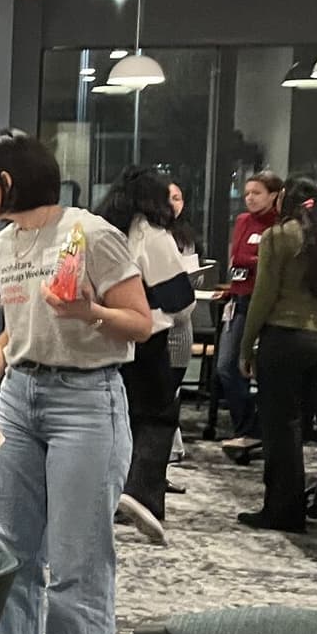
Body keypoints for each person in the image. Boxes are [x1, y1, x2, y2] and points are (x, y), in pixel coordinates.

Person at [0, 129, 152, 634]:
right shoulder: (1, 246)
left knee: (78, 574)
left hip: (86, 401)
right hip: (21, 396)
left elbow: (143, 321)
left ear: (8, 181)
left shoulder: (91, 234)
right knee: (13, 560)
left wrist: (89, 311)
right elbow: (12, 338)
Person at [240, 177, 317, 532]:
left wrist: (246, 345)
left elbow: (263, 297)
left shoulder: (279, 236)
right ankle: (291, 506)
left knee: (279, 429)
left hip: (282, 340)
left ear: (284, 199)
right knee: (296, 426)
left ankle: (283, 511)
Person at [95, 167, 195, 545]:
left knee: (114, 415)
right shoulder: (151, 236)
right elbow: (179, 300)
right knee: (157, 415)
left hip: (104, 333)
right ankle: (141, 494)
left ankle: (109, 492)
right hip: (146, 336)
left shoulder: (99, 228)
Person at [216, 170, 283, 444]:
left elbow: (272, 264)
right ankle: (246, 427)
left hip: (268, 306)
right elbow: (238, 259)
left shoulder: (280, 226)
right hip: (239, 299)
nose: (250, 199)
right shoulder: (243, 221)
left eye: (256, 193)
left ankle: (268, 429)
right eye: (247, 194)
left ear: (274, 195)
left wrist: (253, 259)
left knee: (267, 371)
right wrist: (254, 260)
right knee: (227, 366)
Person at [165, 180, 200, 470]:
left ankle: (172, 448)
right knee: (157, 391)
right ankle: (167, 448)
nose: (173, 203)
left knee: (171, 387)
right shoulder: (149, 236)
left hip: (181, 321)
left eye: (178, 197)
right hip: (154, 320)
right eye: (168, 198)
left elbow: (193, 276)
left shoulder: (186, 237)